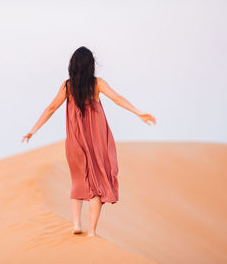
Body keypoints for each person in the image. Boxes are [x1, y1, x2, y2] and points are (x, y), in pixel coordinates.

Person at [21, 46, 156, 237]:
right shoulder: (97, 84)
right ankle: (92, 231)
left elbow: (51, 107)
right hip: (97, 141)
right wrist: (139, 112)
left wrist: (33, 130)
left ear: (73, 65)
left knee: (78, 181)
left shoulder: (68, 86)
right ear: (91, 65)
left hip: (75, 141)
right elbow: (117, 98)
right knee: (97, 186)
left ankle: (76, 224)